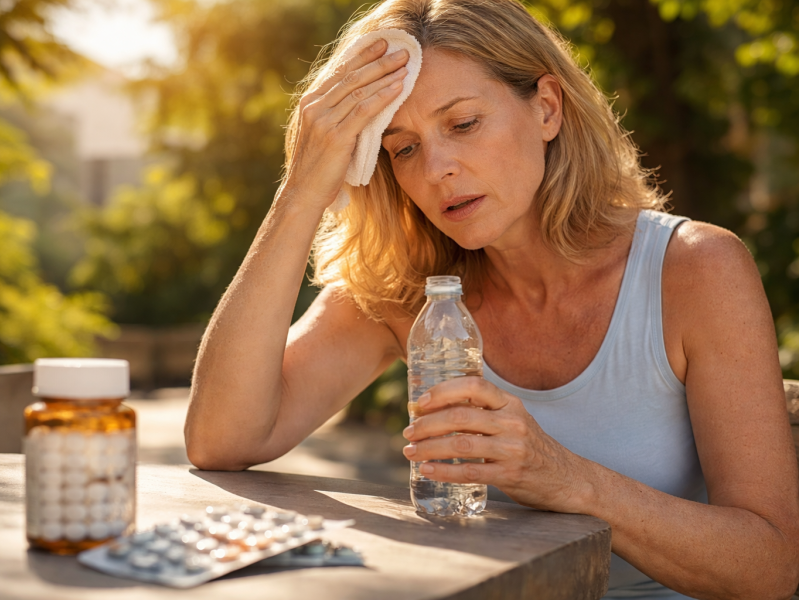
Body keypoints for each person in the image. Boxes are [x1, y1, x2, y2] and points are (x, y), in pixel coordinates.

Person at [184, 0, 799, 597]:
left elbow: (770, 568)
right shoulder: (410, 290)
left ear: (547, 109)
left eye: (463, 124)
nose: (437, 169)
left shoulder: (695, 270)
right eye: (403, 148)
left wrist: (562, 477)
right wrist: (301, 188)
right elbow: (223, 438)